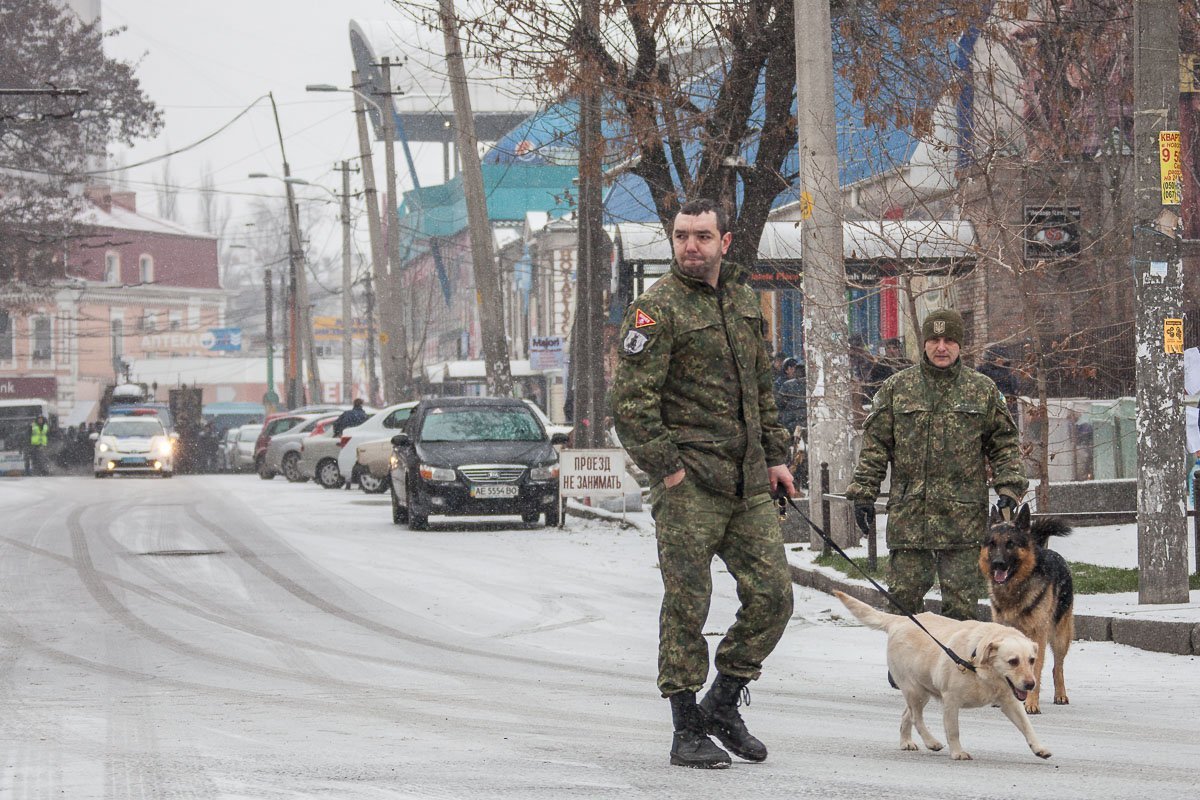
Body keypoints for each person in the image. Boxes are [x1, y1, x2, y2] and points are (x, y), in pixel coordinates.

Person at [610, 198, 795, 769]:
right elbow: (630, 404)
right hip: (688, 482)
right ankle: (686, 727)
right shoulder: (655, 309)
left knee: (774, 597)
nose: (691, 246)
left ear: (725, 242)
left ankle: (723, 701)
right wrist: (668, 468)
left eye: (703, 236)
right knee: (688, 605)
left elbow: (760, 390)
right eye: (682, 235)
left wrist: (776, 457)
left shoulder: (742, 301)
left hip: (747, 481)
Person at [844, 308, 1027, 621]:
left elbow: (1004, 444)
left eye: (949, 340)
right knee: (903, 609)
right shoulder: (897, 389)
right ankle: (909, 657)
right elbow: (875, 446)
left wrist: (1009, 487)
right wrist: (864, 492)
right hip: (910, 520)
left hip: (963, 524)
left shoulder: (982, 390)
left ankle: (953, 657)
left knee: (962, 613)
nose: (941, 347)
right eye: (934, 340)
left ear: (960, 345)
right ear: (924, 343)